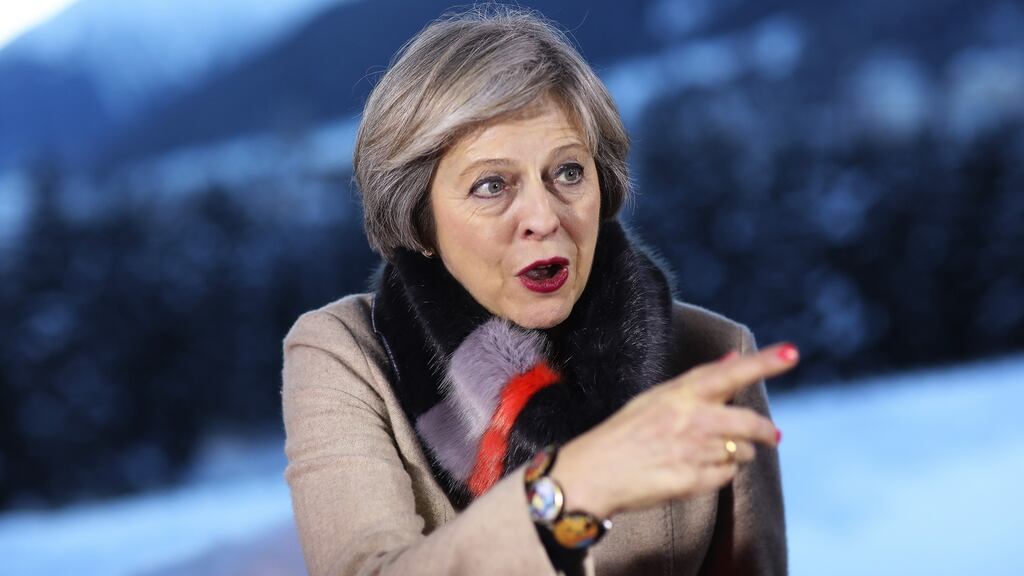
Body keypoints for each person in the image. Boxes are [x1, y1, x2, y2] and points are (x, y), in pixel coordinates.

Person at [281, 6, 793, 575]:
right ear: (419, 220)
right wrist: (573, 487)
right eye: (492, 185)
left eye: (568, 173)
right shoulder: (345, 355)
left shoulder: (714, 356)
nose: (543, 217)